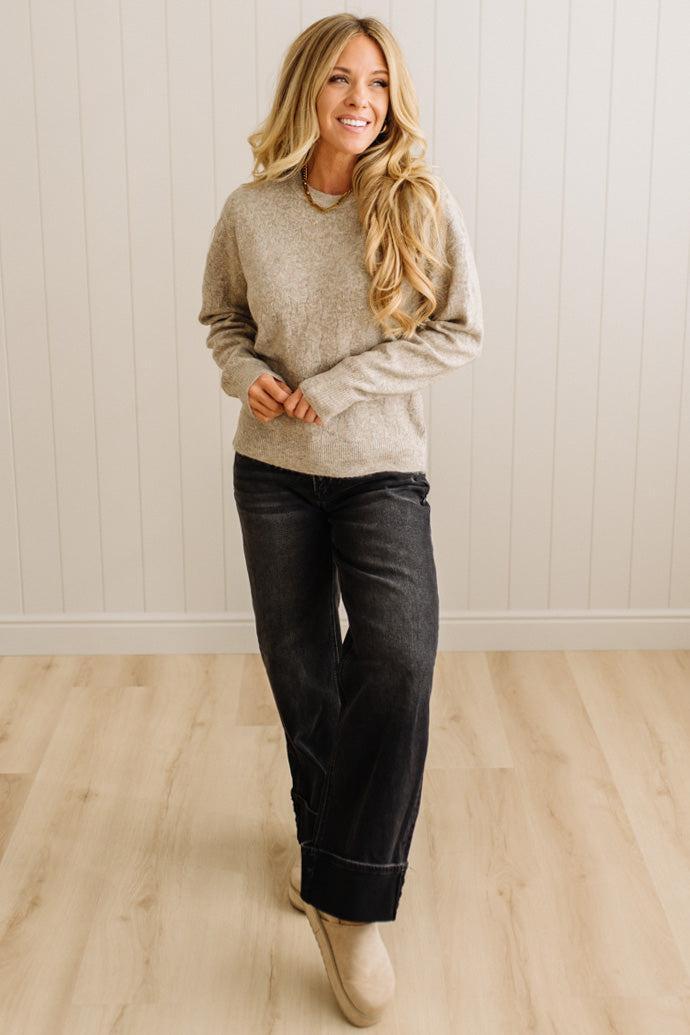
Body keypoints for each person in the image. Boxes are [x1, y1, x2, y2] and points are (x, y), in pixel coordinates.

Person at [198, 13, 483, 1027]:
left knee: (398, 660)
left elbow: (460, 329)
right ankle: (326, 855)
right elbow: (222, 322)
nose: (360, 98)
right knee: (305, 673)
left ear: (391, 98)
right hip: (271, 474)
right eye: (339, 81)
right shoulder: (251, 210)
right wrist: (248, 376)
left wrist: (348, 382)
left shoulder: (417, 200)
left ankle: (349, 903)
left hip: (380, 473)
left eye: (377, 83)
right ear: (306, 93)